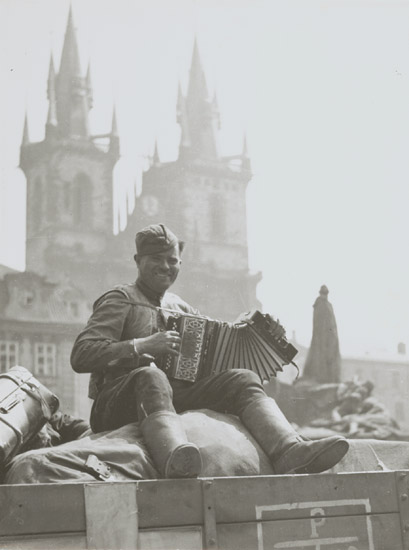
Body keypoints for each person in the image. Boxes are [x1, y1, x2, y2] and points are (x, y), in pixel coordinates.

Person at [71, 224, 349, 478]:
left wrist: (260, 332)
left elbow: (213, 350)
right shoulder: (121, 299)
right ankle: (176, 458)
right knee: (150, 376)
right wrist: (142, 346)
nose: (165, 266)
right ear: (138, 261)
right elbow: (82, 354)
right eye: (156, 259)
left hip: (170, 396)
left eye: (172, 261)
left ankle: (288, 449)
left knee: (242, 378)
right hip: (116, 402)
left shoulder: (181, 308)